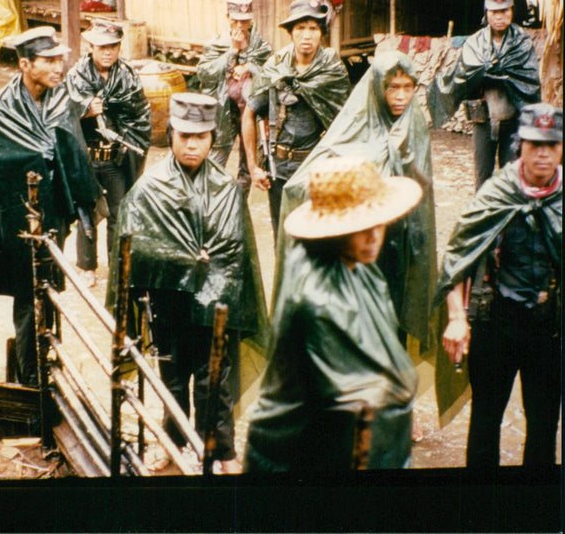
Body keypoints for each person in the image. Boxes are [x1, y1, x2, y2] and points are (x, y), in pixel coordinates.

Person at [107, 92, 270, 474]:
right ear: (171, 135)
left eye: (200, 136)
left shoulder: (228, 190)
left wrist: (210, 269)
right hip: (171, 302)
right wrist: (182, 261)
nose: (192, 144)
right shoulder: (150, 188)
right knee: (174, 376)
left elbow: (236, 251)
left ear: (213, 137)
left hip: (219, 303)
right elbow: (133, 247)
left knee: (218, 377)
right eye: (184, 136)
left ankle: (221, 447)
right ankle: (173, 439)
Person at [244, 157, 422, 472]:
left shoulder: (360, 268)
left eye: (377, 224)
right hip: (296, 454)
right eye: (361, 228)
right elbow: (358, 392)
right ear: (335, 230)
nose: (373, 238)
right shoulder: (315, 298)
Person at [0, 26, 102, 387]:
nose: (59, 68)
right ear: (25, 64)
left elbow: (74, 152)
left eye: (60, 60)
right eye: (49, 61)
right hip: (19, 219)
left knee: (51, 290)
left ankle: (48, 354)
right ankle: (30, 379)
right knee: (27, 295)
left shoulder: (59, 100)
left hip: (54, 214)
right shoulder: (1, 111)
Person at [277, 52, 437, 350]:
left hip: (398, 241)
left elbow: (422, 186)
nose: (401, 96)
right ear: (377, 87)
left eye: (407, 87)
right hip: (357, 246)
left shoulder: (413, 122)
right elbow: (307, 178)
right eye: (392, 87)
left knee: (393, 323)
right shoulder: (358, 120)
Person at [435, 103, 561, 468]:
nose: (542, 153)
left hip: (549, 330)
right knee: (485, 423)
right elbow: (458, 256)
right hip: (497, 325)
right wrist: (457, 317)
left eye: (551, 145)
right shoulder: (496, 192)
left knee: (544, 427)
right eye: (534, 143)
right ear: (519, 144)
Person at [241, 0, 350, 240]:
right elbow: (249, 113)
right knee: (283, 239)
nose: (307, 35)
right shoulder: (276, 66)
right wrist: (253, 166)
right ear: (290, 33)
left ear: (321, 33)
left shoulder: (332, 68)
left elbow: (345, 122)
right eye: (300, 28)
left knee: (318, 238)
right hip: (278, 169)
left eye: (313, 28)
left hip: (317, 167)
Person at [428, 0, 541, 190]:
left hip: (512, 120)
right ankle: (483, 219)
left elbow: (529, 83)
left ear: (512, 11)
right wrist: (480, 75)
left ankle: (508, 220)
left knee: (511, 178)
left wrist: (496, 74)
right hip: (483, 119)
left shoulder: (523, 44)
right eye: (494, 11)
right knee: (482, 176)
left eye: (504, 10)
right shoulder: (475, 43)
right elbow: (462, 76)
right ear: (486, 12)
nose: (499, 16)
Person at [66, 20, 151, 287]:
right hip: (88, 157)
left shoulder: (127, 75)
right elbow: (61, 113)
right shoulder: (77, 75)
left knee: (118, 212)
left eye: (113, 47)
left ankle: (117, 263)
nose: (107, 52)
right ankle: (87, 266)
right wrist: (84, 110)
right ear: (90, 46)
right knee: (87, 214)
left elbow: (140, 116)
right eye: (102, 47)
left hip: (116, 157)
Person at [196, 0, 272, 197]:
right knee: (215, 159)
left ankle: (239, 205)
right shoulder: (216, 43)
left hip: (251, 112)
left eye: (244, 21)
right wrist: (233, 51)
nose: (240, 25)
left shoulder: (260, 45)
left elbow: (271, 72)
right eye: (235, 20)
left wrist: (249, 67)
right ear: (227, 17)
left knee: (249, 162)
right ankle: (211, 203)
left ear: (252, 20)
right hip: (223, 111)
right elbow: (204, 73)